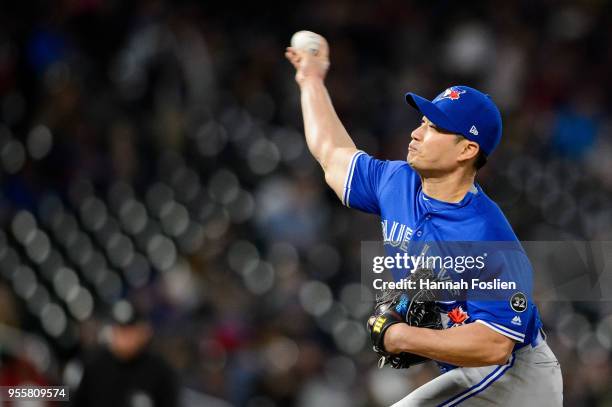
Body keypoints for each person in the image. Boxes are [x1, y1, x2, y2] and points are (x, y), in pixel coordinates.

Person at [285, 33, 563, 406]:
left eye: (435, 127)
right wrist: (312, 80)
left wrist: (400, 337)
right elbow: (331, 153)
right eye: (422, 121)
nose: (417, 133)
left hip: (515, 379)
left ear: (467, 149)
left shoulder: (485, 233)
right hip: (471, 374)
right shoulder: (396, 182)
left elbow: (495, 344)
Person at [71, 301, 179, 407]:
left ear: (143, 331)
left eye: (130, 330)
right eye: (120, 330)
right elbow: (74, 400)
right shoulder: (93, 366)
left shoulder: (160, 370)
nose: (124, 337)